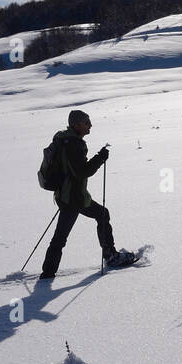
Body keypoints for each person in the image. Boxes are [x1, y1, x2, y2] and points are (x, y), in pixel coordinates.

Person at [39, 109, 136, 279]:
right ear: (76, 124)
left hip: (69, 195)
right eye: (86, 122)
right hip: (73, 198)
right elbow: (82, 172)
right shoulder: (73, 144)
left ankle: (109, 254)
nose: (90, 125)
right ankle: (48, 274)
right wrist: (100, 158)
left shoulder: (66, 140)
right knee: (61, 237)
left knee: (101, 214)